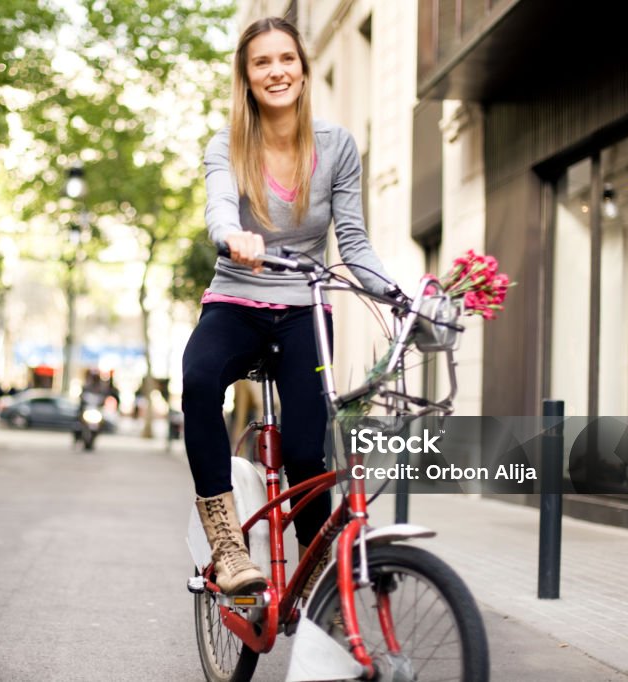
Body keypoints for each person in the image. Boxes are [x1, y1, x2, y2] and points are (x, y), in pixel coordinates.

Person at [183, 17, 398, 596]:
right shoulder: (227, 144)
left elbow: (353, 242)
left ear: (302, 69)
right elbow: (220, 209)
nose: (276, 71)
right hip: (236, 298)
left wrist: (398, 294)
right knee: (199, 379)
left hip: (305, 307)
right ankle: (227, 545)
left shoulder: (336, 146)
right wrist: (234, 238)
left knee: (307, 451)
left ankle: (315, 572)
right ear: (247, 77)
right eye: (262, 63)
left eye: (287, 59)